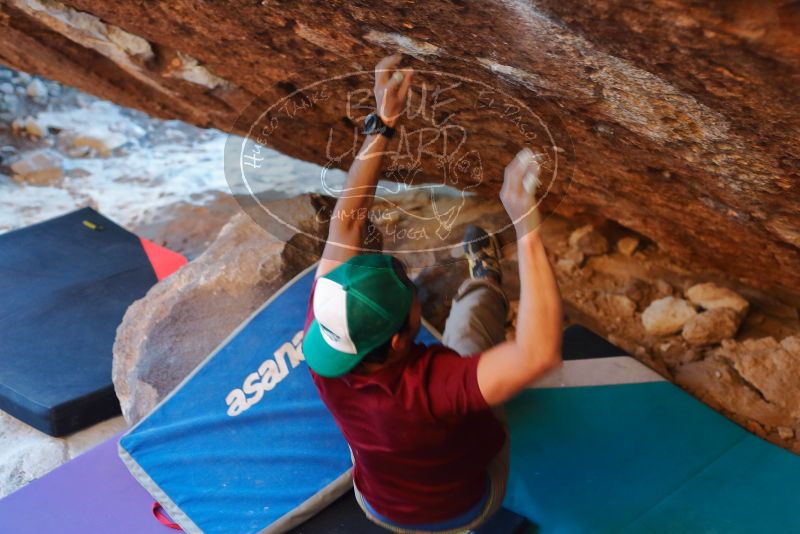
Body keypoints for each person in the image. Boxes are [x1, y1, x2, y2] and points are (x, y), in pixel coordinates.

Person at [302, 55, 563, 533]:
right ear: (403, 338)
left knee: (451, 372)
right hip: (467, 509)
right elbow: (537, 354)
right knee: (471, 328)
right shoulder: (437, 386)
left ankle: (478, 287)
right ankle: (483, 280)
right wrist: (524, 223)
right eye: (411, 296)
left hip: (377, 504)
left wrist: (383, 122)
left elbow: (345, 225)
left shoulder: (324, 333)